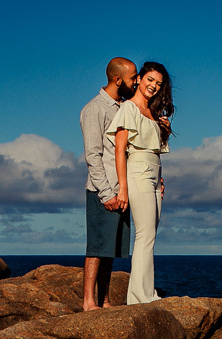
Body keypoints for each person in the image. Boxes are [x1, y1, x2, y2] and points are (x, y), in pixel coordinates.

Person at [109, 61, 173, 305]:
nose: (153, 86)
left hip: (155, 174)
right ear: (139, 79)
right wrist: (122, 188)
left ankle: (144, 292)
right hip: (138, 172)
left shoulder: (154, 113)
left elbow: (155, 150)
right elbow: (120, 149)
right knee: (145, 235)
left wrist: (164, 130)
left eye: (158, 84)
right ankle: (140, 297)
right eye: (149, 80)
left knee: (150, 236)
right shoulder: (129, 108)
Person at [80, 57, 138, 311]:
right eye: (133, 77)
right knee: (96, 246)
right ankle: (88, 302)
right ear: (118, 79)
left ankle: (103, 299)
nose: (136, 81)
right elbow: (93, 155)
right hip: (101, 190)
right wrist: (105, 193)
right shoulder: (95, 109)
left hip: (120, 189)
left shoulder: (123, 107)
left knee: (110, 248)